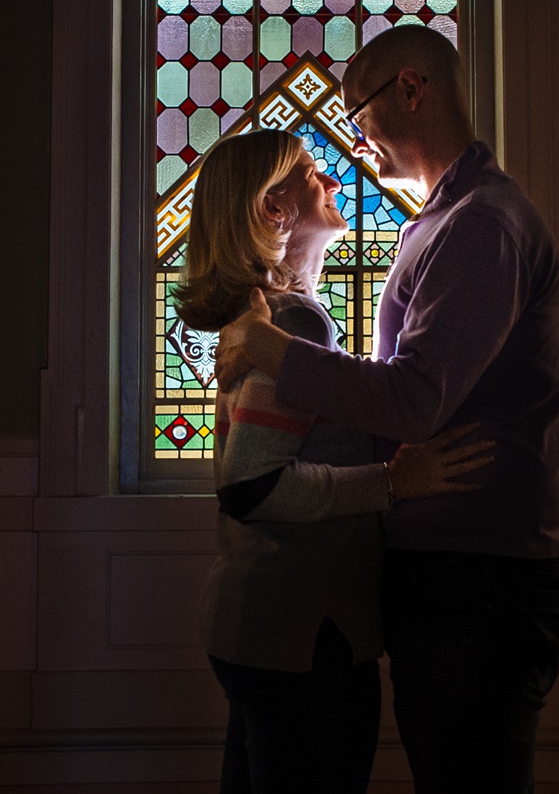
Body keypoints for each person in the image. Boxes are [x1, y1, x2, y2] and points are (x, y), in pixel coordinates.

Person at [217, 25, 559, 794]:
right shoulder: (443, 222)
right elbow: (256, 479)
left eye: (358, 114)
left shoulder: (481, 223)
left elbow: (414, 399)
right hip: (452, 584)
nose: (356, 142)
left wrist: (267, 347)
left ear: (411, 89)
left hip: (484, 585)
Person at [177, 126, 492, 794]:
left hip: (266, 628)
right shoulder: (293, 324)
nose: (330, 177)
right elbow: (251, 488)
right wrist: (390, 484)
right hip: (301, 636)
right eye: (309, 171)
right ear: (274, 208)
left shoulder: (274, 319)